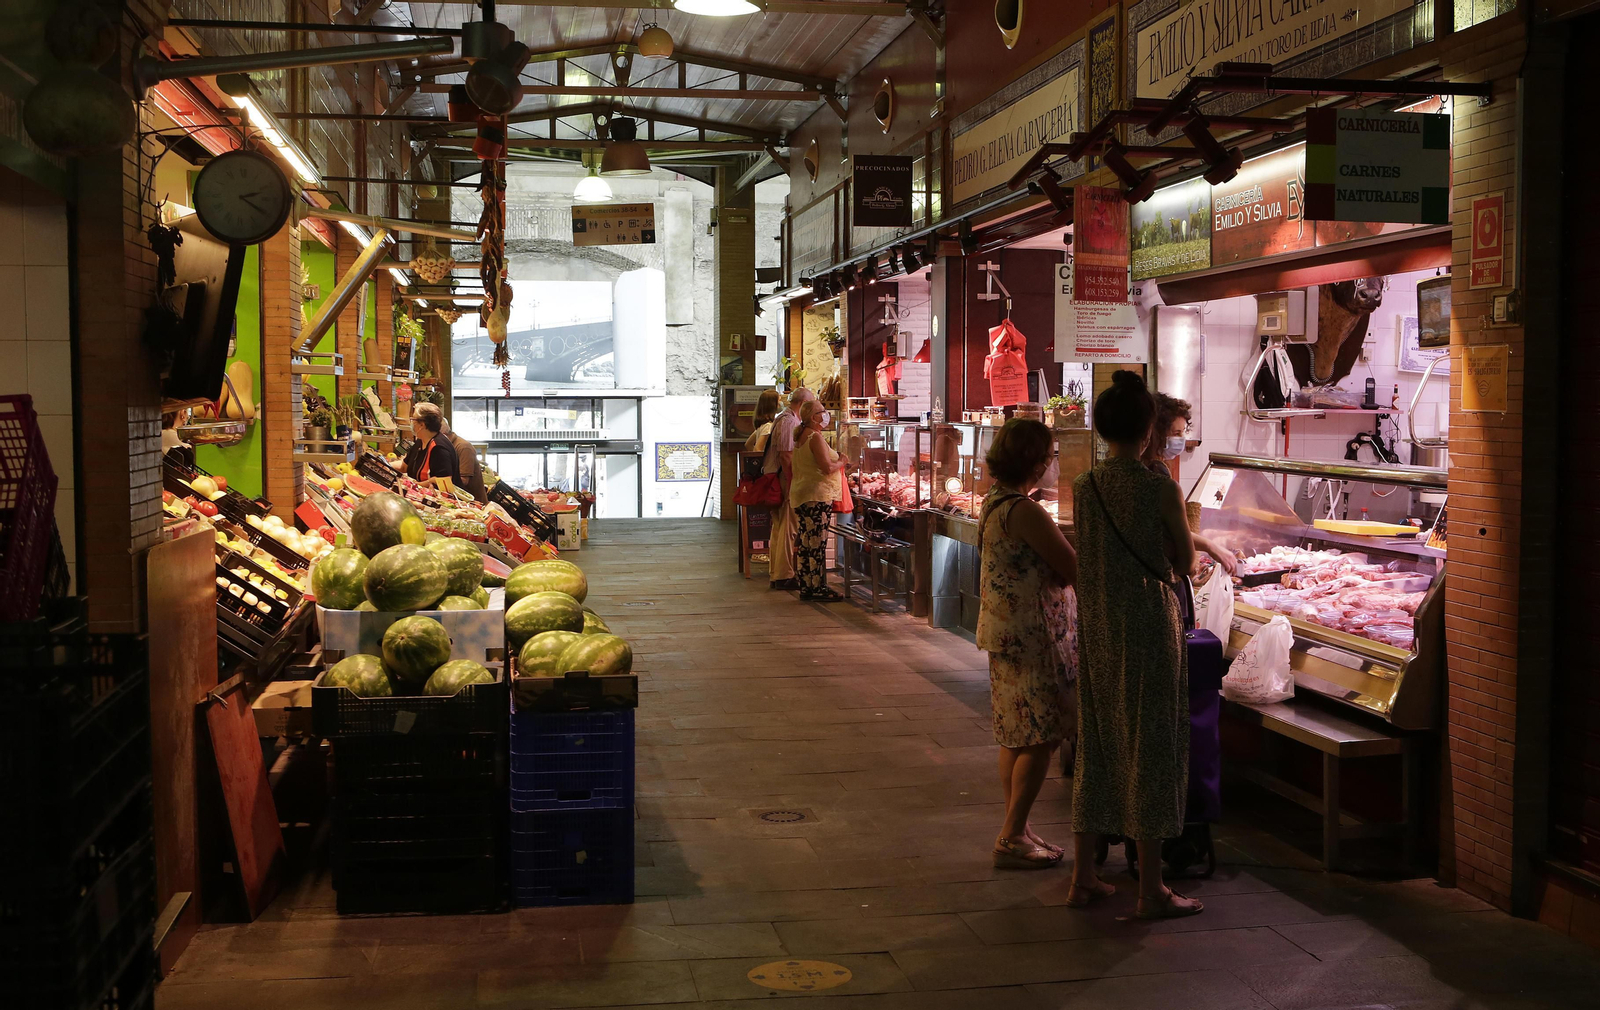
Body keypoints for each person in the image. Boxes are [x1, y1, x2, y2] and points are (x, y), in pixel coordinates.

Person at [1070, 370, 1203, 919]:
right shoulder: (1159, 487)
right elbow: (1186, 562)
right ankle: (1151, 889)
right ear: (1149, 430)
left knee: (1097, 742)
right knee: (1150, 746)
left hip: (1099, 621)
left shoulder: (1086, 486)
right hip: (1149, 623)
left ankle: (1083, 878)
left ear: (1102, 430)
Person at [975, 419, 1080, 869]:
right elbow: (1070, 565)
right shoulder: (1026, 511)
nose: (1055, 464)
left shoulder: (995, 501)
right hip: (1036, 635)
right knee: (1043, 735)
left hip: (1006, 631)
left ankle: (1018, 827)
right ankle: (1012, 833)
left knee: (1016, 733)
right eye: (1052, 456)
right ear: (1037, 463)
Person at [1146, 393, 1237, 577]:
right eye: (1176, 433)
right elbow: (1179, 541)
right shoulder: (1156, 476)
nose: (1181, 439)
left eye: (1183, 432)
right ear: (1156, 433)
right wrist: (1211, 546)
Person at [788, 398, 845, 602]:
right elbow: (826, 467)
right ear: (813, 417)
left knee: (806, 541)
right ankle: (818, 587)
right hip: (817, 496)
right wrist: (842, 461)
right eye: (822, 411)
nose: (825, 414)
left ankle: (807, 586)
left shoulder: (801, 435)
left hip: (803, 494)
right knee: (817, 543)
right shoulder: (814, 436)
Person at [767, 387, 815, 591]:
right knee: (788, 527)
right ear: (803, 403)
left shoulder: (784, 419)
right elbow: (787, 455)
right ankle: (784, 575)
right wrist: (793, 482)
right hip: (784, 478)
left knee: (780, 528)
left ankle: (777, 573)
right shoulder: (789, 422)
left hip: (780, 477)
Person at [412, 401, 486, 502]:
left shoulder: (461, 447)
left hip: (468, 502)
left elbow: (460, 481)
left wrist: (422, 484)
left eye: (413, 420)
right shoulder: (425, 442)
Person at [404, 408, 460, 488]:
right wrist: (385, 465)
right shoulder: (420, 441)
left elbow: (444, 481)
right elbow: (404, 466)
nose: (411, 422)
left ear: (422, 425)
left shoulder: (439, 448)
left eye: (413, 419)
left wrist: (416, 485)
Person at [745, 389, 782, 453]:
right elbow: (758, 448)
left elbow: (748, 444)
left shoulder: (763, 425)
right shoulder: (768, 427)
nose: (781, 404)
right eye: (779, 401)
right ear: (772, 405)